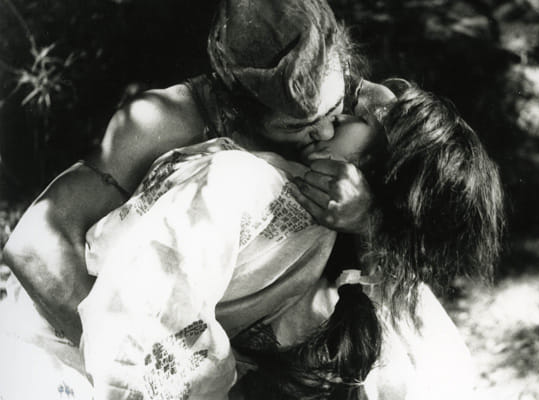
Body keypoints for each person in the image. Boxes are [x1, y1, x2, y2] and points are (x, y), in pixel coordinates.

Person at [72, 80, 503, 399]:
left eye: (360, 119)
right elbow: (146, 312)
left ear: (381, 172)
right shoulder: (245, 181)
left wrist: (369, 220)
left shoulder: (367, 274)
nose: (337, 118)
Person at [2, 0, 382, 347]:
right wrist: (130, 361)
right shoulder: (167, 121)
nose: (326, 132)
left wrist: (366, 219)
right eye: (297, 127)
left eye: (334, 111)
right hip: (124, 331)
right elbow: (34, 244)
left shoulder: (370, 111)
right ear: (241, 109)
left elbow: (406, 261)